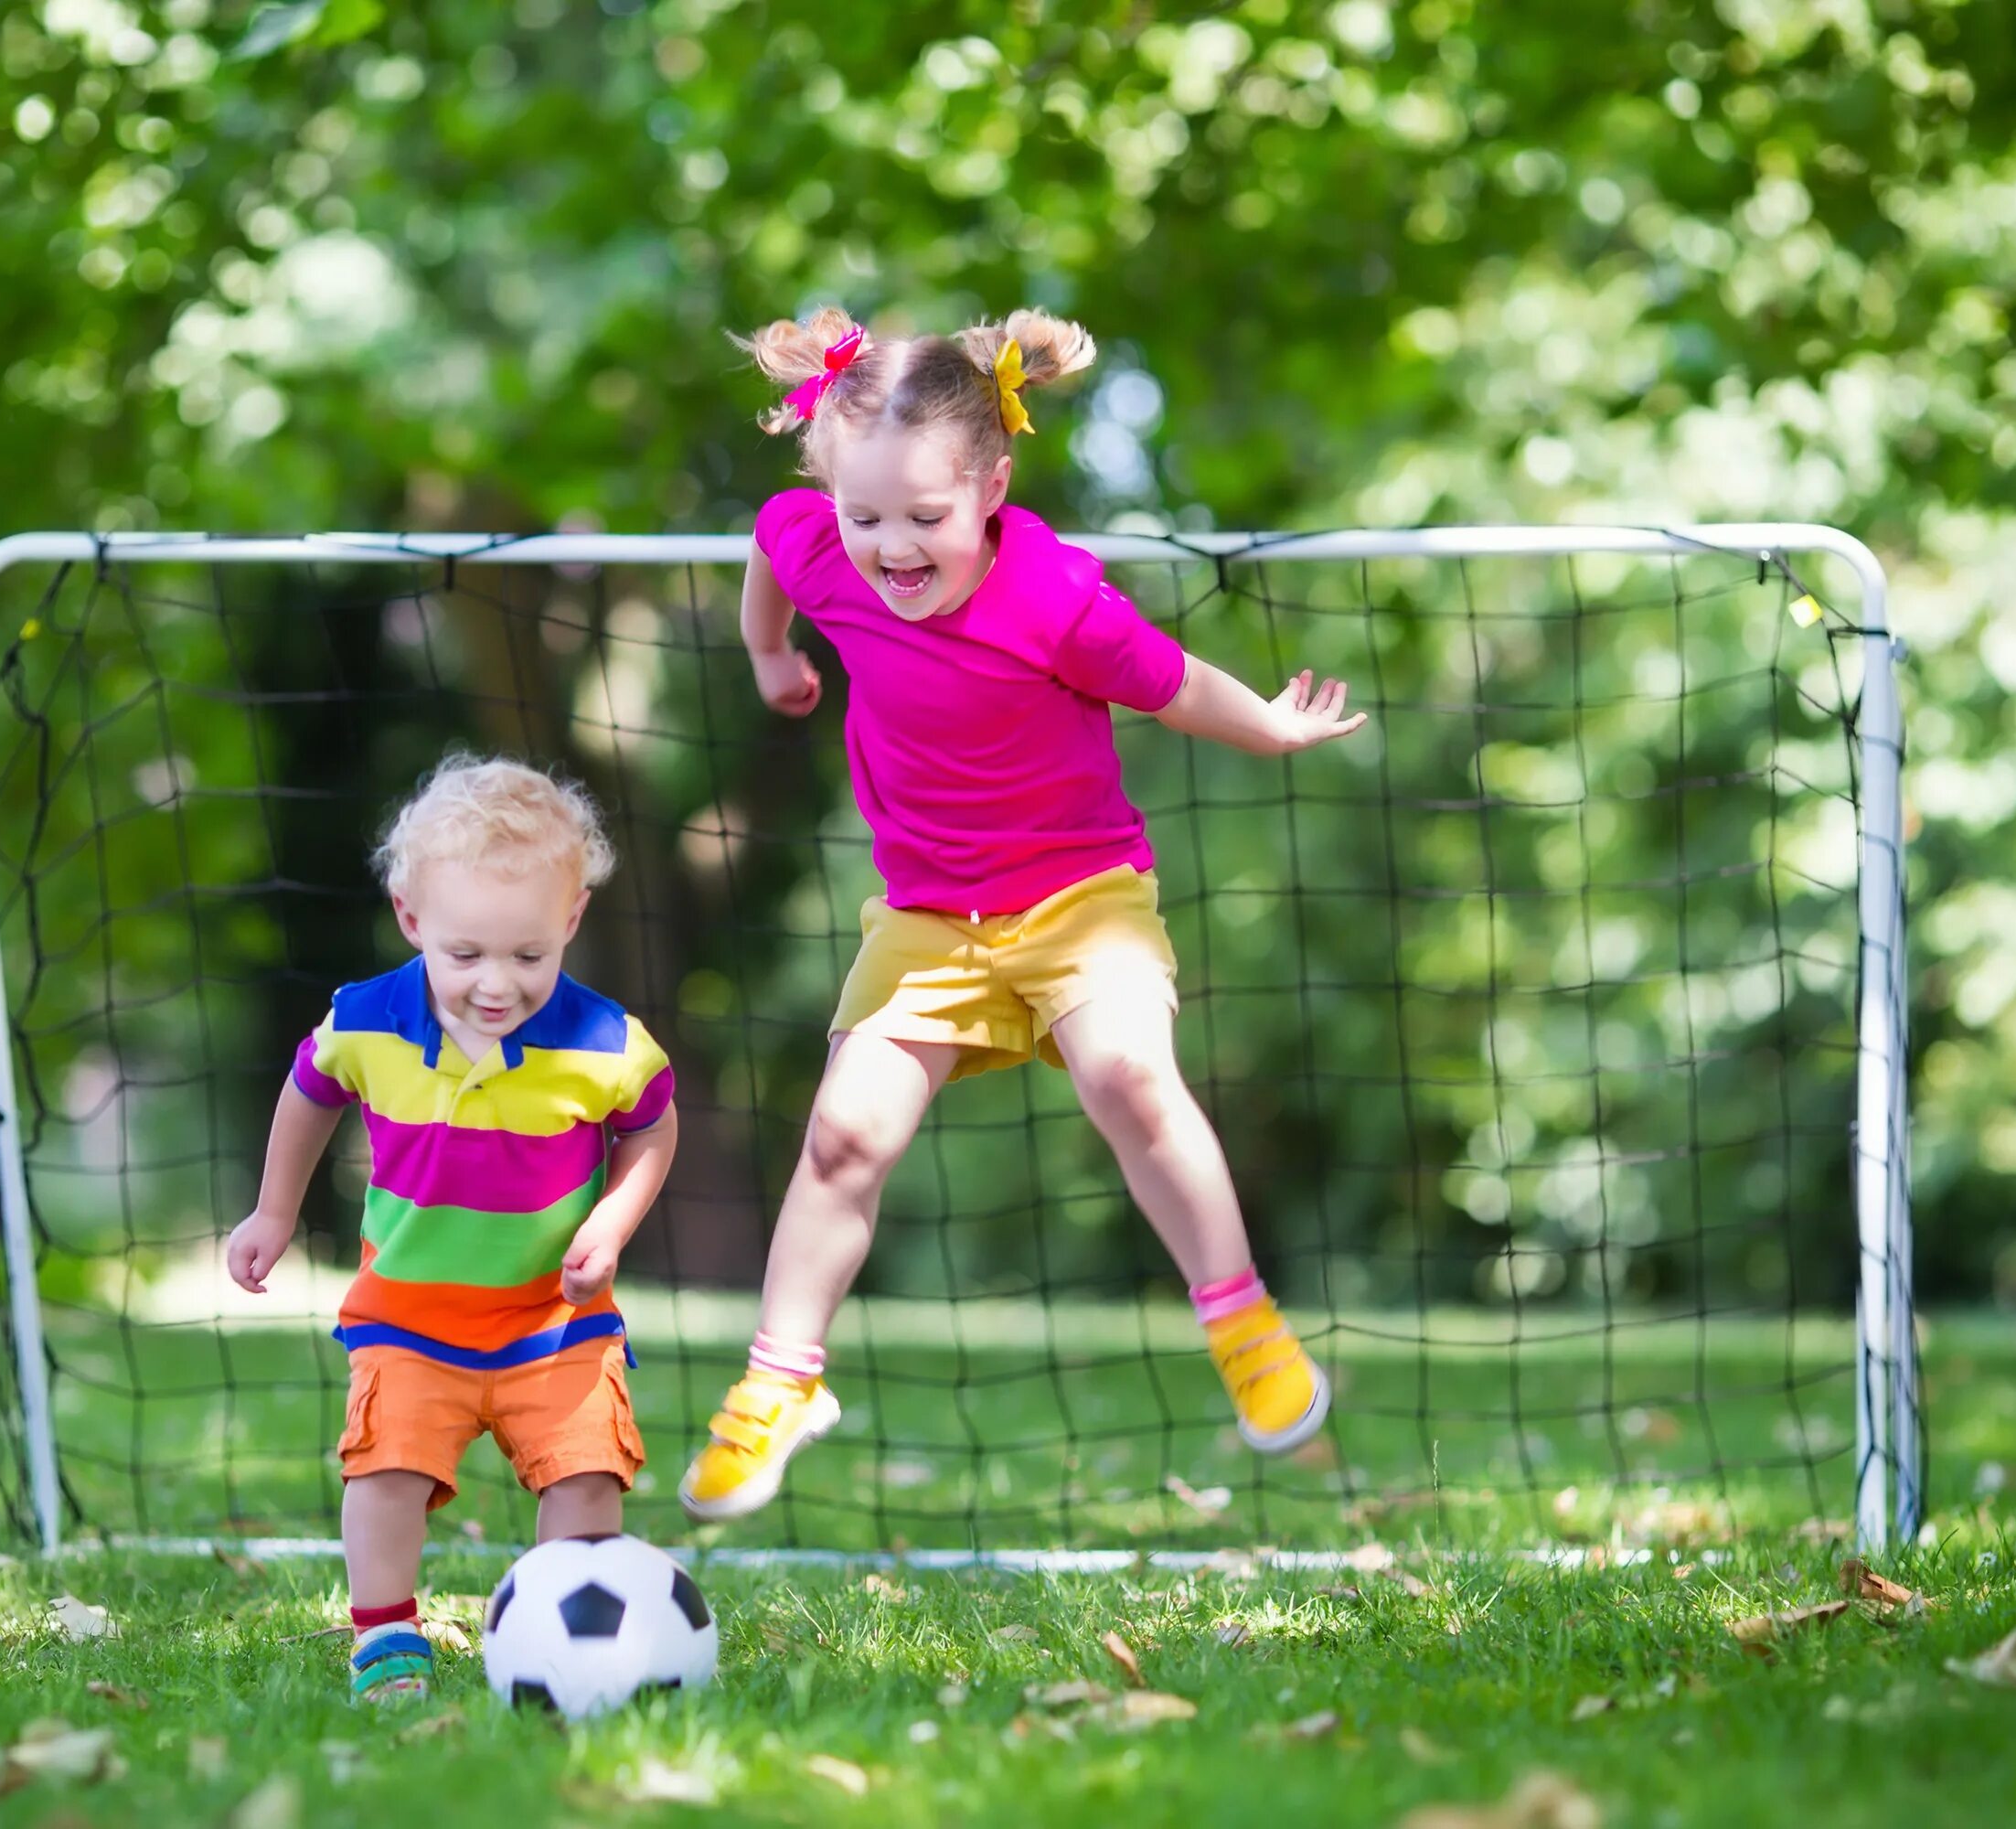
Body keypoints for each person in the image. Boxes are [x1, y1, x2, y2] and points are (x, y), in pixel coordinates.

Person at [678, 306, 1367, 1523]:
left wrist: (1270, 724)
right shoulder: (818, 541)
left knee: (1132, 1084)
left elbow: (1169, 679)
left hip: (1079, 900)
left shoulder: (1056, 600)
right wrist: (769, 659)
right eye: (867, 515)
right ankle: (779, 1386)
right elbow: (774, 550)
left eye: (926, 520)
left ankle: (1244, 1325)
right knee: (843, 1136)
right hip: (929, 920)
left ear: (992, 486)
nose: (893, 547)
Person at [225, 755, 677, 1701]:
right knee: (383, 1473)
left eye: (528, 955)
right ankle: (387, 1639)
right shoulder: (366, 1021)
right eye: (466, 955)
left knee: (588, 1477)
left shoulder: (604, 1040)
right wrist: (275, 1207)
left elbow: (652, 1125)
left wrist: (614, 1217)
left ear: (571, 922)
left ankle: (564, 1642)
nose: (497, 984)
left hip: (554, 1318)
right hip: (407, 1315)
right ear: (412, 918)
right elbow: (309, 1093)